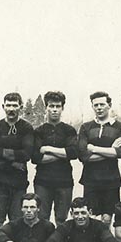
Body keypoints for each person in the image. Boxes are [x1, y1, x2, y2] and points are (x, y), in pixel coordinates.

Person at [0, 92, 35, 224]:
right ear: (3, 106)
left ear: (20, 107)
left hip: (18, 181)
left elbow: (27, 154)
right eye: (8, 105)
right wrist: (12, 164)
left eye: (15, 105)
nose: (11, 109)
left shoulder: (26, 128)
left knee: (17, 220)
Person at [77, 91, 121, 222]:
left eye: (102, 104)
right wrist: (111, 151)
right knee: (91, 217)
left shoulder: (119, 127)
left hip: (111, 180)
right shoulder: (85, 127)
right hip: (90, 180)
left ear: (109, 105)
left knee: (107, 219)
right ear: (92, 106)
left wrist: (94, 148)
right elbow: (83, 155)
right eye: (96, 105)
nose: (99, 108)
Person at [32, 90, 78, 224]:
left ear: (62, 108)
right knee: (42, 219)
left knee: (61, 219)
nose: (54, 110)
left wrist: (47, 149)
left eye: (58, 106)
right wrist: (64, 154)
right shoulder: (39, 131)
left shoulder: (69, 130)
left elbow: (73, 152)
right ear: (46, 107)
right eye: (51, 106)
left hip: (64, 181)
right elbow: (36, 158)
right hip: (43, 181)